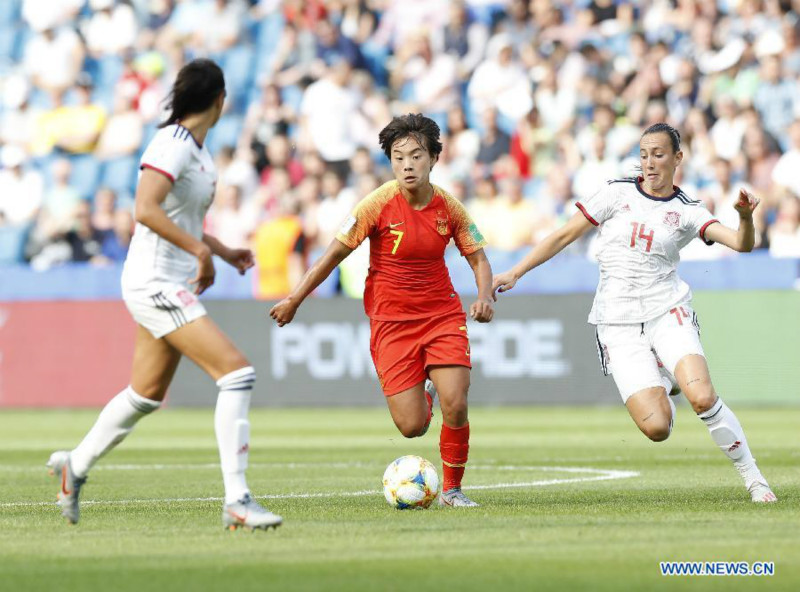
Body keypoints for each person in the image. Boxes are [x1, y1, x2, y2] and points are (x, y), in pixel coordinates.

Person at [46, 59, 283, 530]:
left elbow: (182, 217)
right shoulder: (172, 144)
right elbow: (145, 209)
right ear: (220, 101)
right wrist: (200, 251)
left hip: (170, 278)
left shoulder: (196, 150)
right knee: (237, 374)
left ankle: (75, 466)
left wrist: (220, 249)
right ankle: (237, 499)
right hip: (155, 281)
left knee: (145, 395)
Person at [492, 123, 776, 503]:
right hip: (616, 322)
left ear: (677, 158)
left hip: (667, 310)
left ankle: (755, 479)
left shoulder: (688, 212)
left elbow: (742, 244)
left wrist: (744, 217)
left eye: (658, 154)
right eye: (644, 155)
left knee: (704, 398)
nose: (649, 163)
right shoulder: (616, 193)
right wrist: (515, 271)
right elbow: (562, 235)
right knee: (657, 428)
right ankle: (665, 379)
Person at [270, 114, 495, 507]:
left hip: (442, 314)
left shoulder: (449, 207)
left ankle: (453, 490)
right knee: (411, 428)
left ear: (433, 159)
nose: (407, 165)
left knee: (456, 402)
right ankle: (424, 394)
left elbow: (477, 257)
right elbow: (332, 256)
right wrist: (294, 299)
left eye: (416, 156)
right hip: (391, 322)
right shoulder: (376, 204)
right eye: (398, 157)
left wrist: (484, 296)